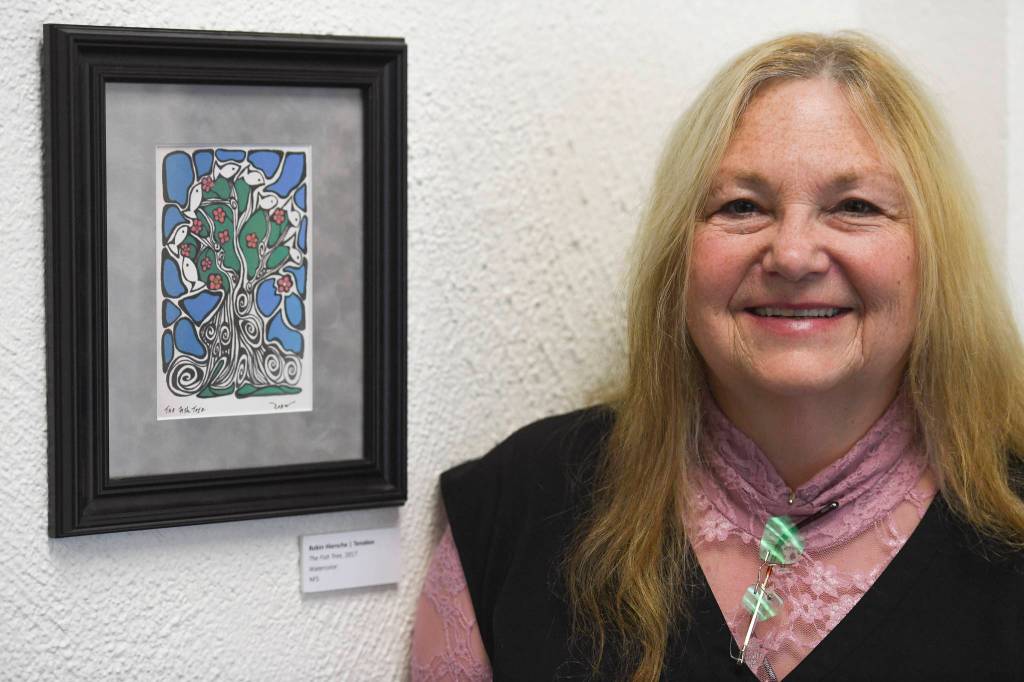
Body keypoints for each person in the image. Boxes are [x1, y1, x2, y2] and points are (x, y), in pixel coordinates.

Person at [410, 31, 1024, 681]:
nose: (792, 255)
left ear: (933, 256)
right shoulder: (521, 507)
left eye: (854, 207)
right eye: (742, 207)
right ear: (681, 253)